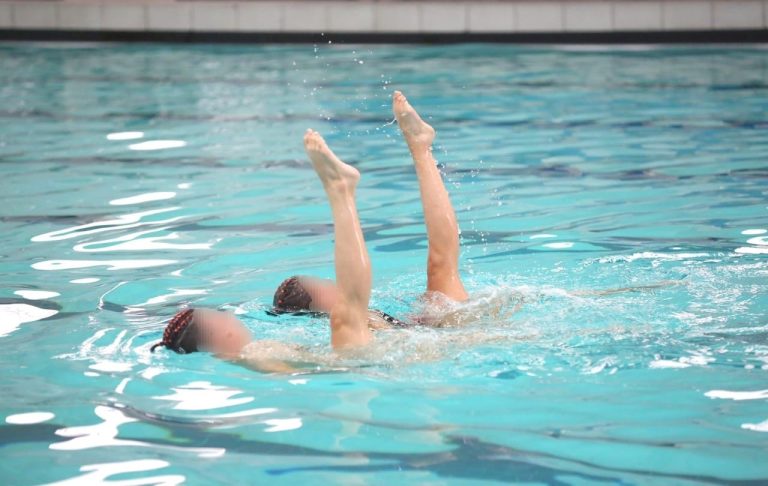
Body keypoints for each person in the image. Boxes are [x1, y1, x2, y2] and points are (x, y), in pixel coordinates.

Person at [152, 91, 460, 370]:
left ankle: (417, 150)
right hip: (381, 357)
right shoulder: (252, 357)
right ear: (218, 333)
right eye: (220, 318)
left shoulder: (258, 354)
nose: (229, 317)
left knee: (436, 268)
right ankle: (341, 190)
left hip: (416, 343)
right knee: (349, 314)